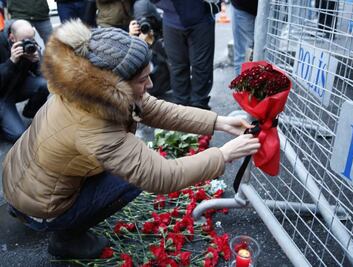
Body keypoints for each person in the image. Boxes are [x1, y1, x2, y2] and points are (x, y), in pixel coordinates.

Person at [2, 19, 260, 259]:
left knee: (129, 162)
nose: (150, 84)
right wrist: (224, 155)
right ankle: (65, 239)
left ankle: (34, 211)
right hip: (41, 204)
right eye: (142, 79)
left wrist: (218, 122)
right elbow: (162, 176)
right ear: (114, 84)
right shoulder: (95, 127)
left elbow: (155, 108)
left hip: (21, 179)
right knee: (133, 178)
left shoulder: (84, 86)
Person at [151, 0, 219, 110]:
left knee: (201, 66)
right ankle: (181, 107)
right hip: (171, 19)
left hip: (200, 18)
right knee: (177, 66)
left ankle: (199, 105)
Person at [0, 19, 49, 142]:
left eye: (31, 39)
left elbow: (42, 75)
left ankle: (30, 111)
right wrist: (11, 62)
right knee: (18, 135)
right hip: (1, 94)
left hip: (18, 86)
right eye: (24, 40)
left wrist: (36, 62)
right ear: (12, 38)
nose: (28, 43)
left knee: (44, 84)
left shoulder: (30, 43)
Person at [230, 0, 258, 75]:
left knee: (268, 57)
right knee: (245, 56)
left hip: (272, 9)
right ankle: (243, 85)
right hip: (244, 8)